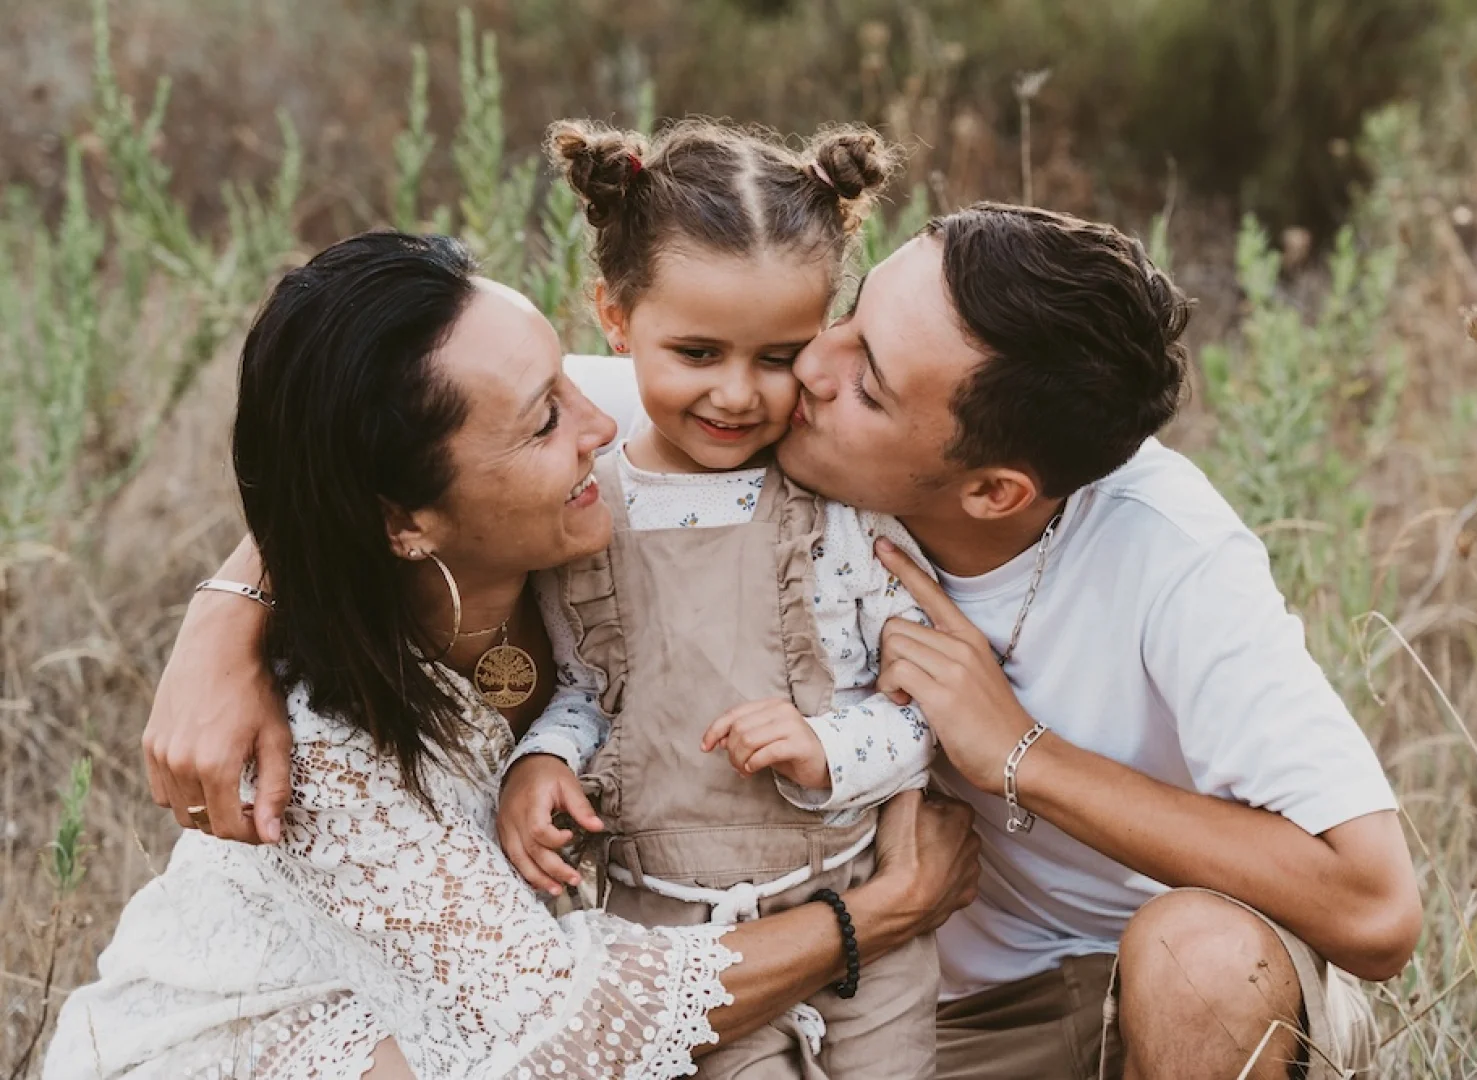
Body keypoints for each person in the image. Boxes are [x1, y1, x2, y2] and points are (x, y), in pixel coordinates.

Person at [144, 204, 1421, 1080]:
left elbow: (1374, 905)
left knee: (1200, 958)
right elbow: (390, 450)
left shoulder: (1163, 549)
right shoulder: (709, 418)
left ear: (990, 488)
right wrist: (233, 607)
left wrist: (1015, 749)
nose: (798, 370)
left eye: (865, 378)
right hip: (864, 987)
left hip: (1098, 1000)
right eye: (848, 319)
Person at [45, 232, 978, 1080]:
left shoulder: (575, 498)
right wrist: (885, 910)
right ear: (406, 522)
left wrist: (228, 600)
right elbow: (575, 1035)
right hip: (274, 1047)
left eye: (574, 377)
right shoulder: (318, 757)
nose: (603, 423)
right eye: (546, 419)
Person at [498, 118, 940, 1079]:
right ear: (615, 320)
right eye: (696, 353)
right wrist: (542, 758)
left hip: (859, 930)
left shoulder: (841, 515)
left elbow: (923, 716)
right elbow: (592, 688)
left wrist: (827, 748)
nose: (738, 395)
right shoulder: (587, 507)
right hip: (675, 937)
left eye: (778, 356)